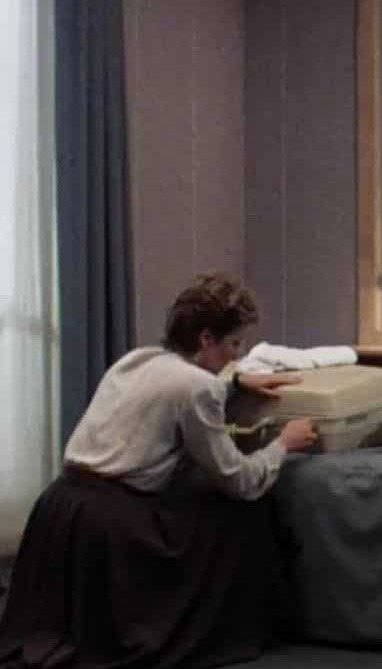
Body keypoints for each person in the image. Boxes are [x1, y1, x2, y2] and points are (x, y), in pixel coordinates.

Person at [0, 273, 317, 669]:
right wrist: (283, 444)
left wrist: (235, 383)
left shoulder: (136, 360)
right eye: (234, 344)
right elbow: (239, 480)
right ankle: (249, 630)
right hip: (112, 525)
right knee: (242, 514)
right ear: (206, 338)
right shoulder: (198, 387)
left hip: (59, 509)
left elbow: (170, 392)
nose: (236, 356)